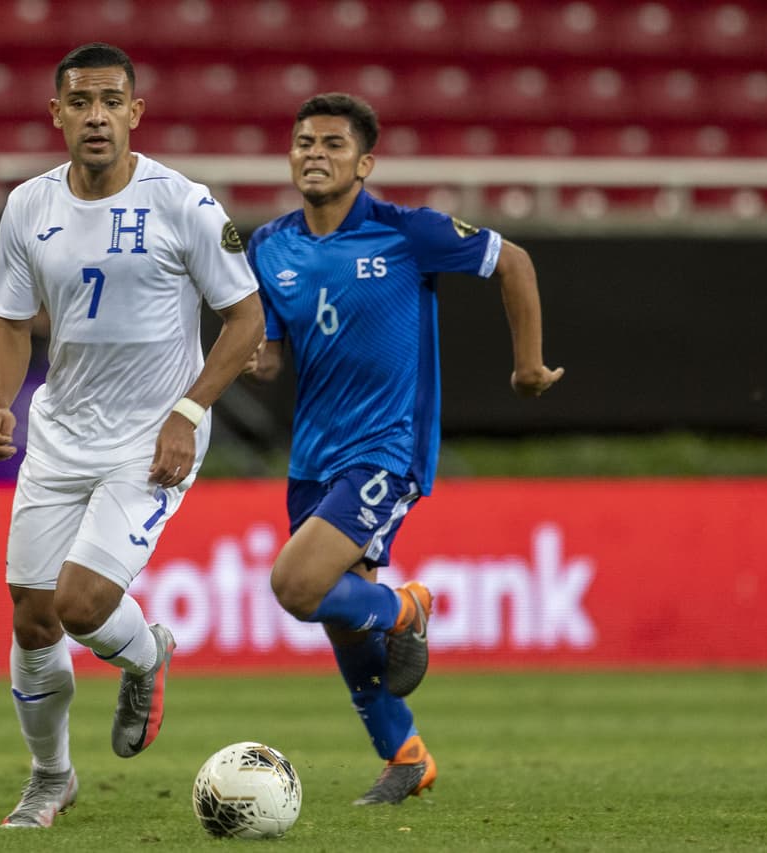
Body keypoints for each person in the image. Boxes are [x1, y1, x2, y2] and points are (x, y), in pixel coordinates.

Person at [245, 93, 563, 806]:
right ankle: (406, 754)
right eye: (303, 142)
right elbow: (266, 355)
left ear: (365, 163)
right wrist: (242, 356)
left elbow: (513, 261)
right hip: (313, 456)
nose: (314, 153)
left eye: (332, 143)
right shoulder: (270, 246)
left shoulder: (407, 232)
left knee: (296, 585)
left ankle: (406, 609)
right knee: (333, 607)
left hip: (386, 448)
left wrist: (528, 366)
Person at [0, 43, 265, 829]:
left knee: (80, 602)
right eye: (81, 102)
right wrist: (0, 401)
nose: (96, 115)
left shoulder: (185, 204)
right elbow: (9, 323)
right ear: (57, 114)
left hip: (153, 436)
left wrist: (192, 410)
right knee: (32, 615)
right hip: (60, 433)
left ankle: (145, 655)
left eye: (111, 101)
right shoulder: (28, 207)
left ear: (135, 112)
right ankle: (50, 777)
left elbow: (247, 320)